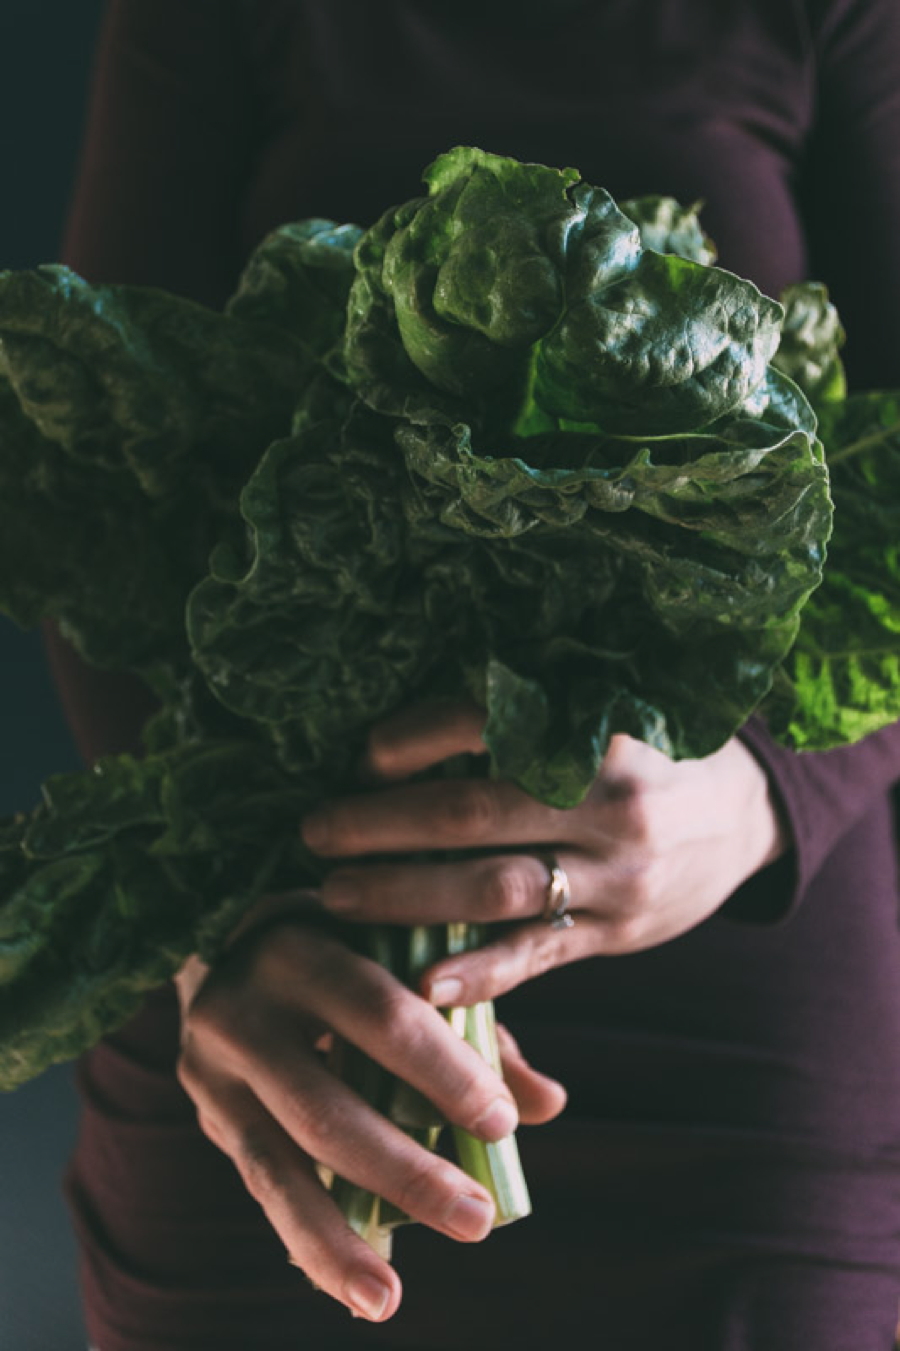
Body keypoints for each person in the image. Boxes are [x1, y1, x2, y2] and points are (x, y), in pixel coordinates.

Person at [44, 1, 900, 1347]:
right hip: (286, 1048)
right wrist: (217, 937)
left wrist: (761, 793)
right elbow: (90, 470)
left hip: (737, 1080)